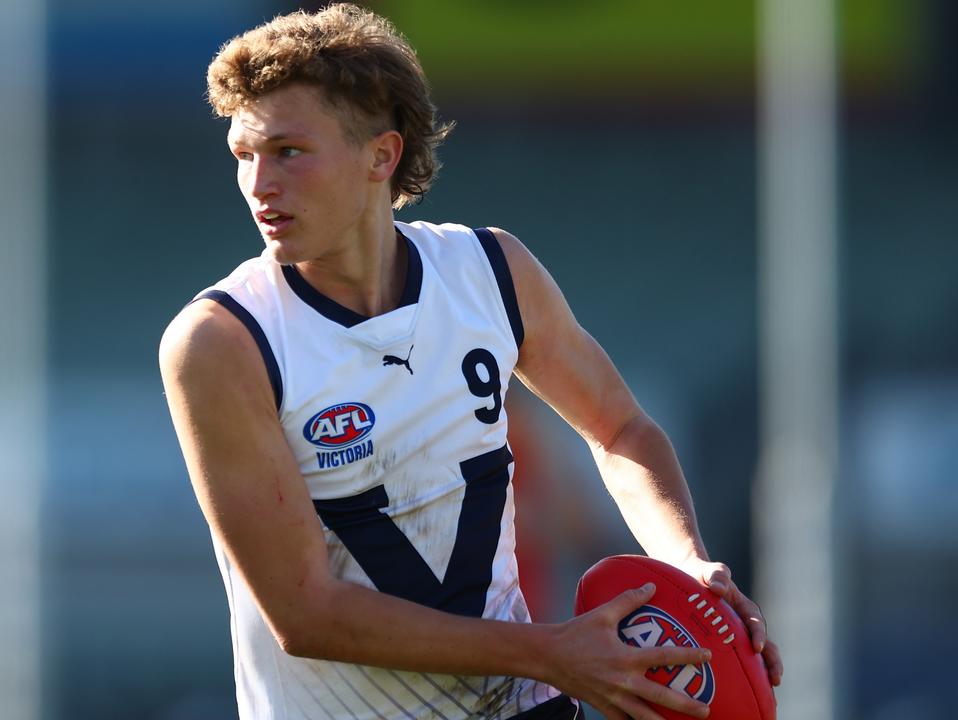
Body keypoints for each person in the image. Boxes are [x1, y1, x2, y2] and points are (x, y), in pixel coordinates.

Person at [159, 5, 783, 719]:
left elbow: (620, 432)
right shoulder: (221, 341)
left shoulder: (491, 271)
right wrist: (553, 652)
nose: (259, 185)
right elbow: (305, 615)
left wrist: (687, 566)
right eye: (244, 155)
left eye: (289, 152)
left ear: (381, 156)